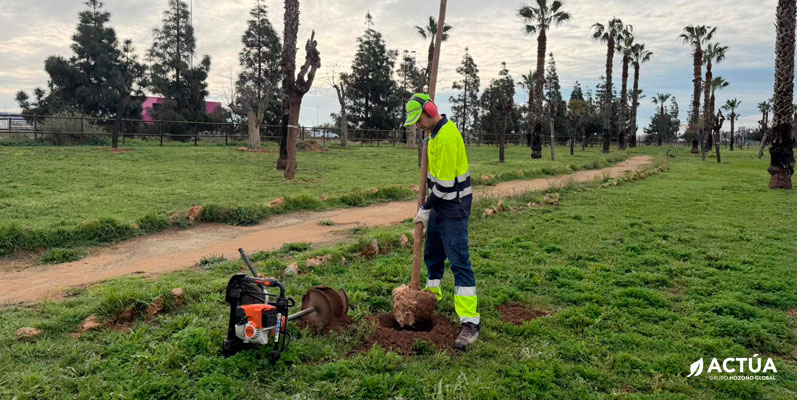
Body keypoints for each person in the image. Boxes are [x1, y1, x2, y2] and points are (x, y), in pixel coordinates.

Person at [403, 93, 480, 351]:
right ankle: (430, 299)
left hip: (453, 206)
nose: (417, 126)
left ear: (430, 111)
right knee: (433, 256)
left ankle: (470, 322)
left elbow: (446, 186)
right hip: (439, 204)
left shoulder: (446, 137)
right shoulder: (433, 135)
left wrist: (425, 208)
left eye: (419, 120)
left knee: (459, 261)